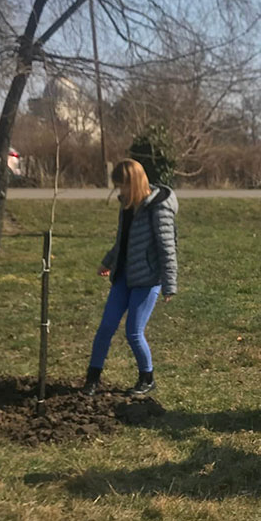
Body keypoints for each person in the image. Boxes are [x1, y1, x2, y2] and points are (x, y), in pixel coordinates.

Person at [82, 159, 178, 397]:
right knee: (105, 328)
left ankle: (147, 377)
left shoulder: (159, 208)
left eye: (122, 185)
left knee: (134, 332)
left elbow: (167, 247)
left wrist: (169, 284)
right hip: (124, 275)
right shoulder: (126, 206)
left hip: (147, 279)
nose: (119, 190)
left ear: (133, 183)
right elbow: (122, 241)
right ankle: (93, 378)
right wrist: (108, 261)